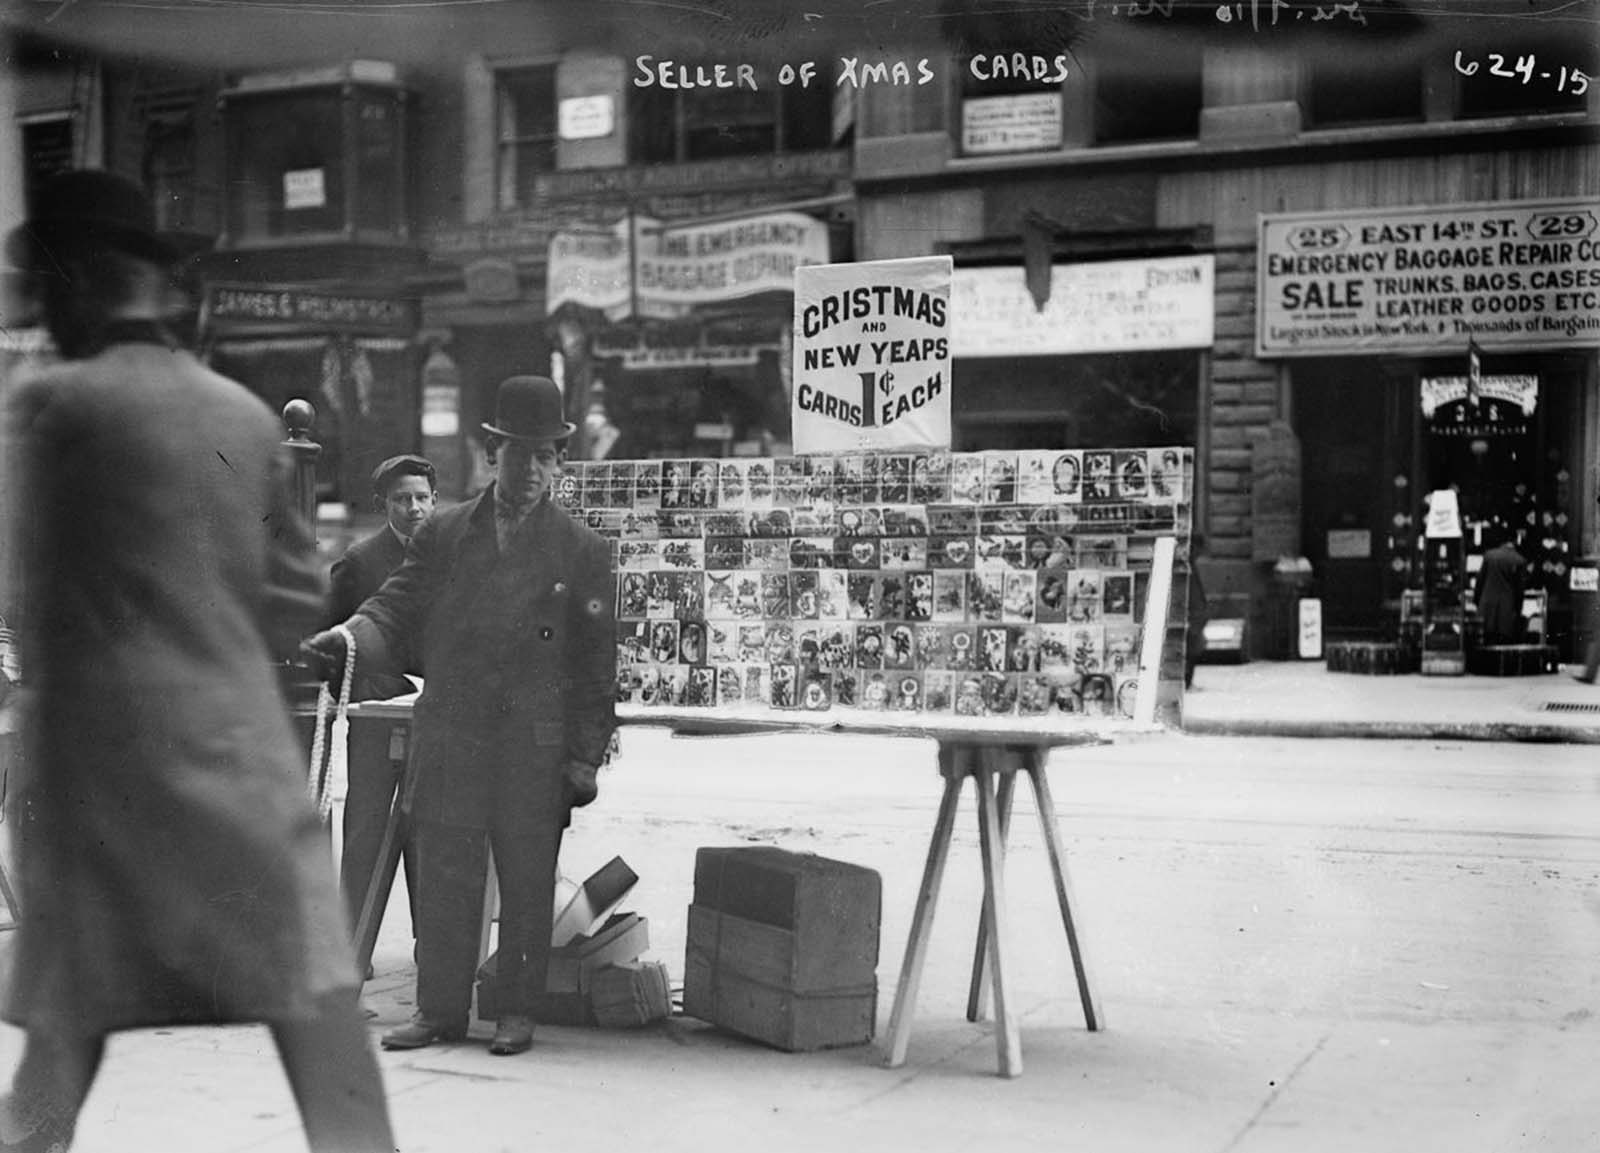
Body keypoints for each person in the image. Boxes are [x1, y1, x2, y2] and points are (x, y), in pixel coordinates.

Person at [0, 170, 394, 1152]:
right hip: (243, 779)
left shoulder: (49, 402)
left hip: (99, 792)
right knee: (332, 1061)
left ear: (80, 284)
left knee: (54, 1067)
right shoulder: (246, 418)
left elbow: (17, 579)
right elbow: (299, 599)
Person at [303, 375, 616, 1058]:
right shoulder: (445, 533)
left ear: (558, 461)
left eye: (544, 455)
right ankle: (439, 1011)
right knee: (446, 874)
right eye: (517, 453)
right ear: (491, 453)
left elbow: (597, 670)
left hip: (532, 749)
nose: (530, 469)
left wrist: (583, 758)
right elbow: (394, 604)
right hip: (452, 734)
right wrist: (350, 638)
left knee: (527, 884)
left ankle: (514, 1013)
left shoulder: (582, 550)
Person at [326, 453, 437, 959]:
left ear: (434, 501)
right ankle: (352, 950)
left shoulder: (450, 556)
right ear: (383, 504)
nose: (413, 508)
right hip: (375, 716)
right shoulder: (360, 562)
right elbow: (333, 641)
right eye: (401, 499)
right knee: (367, 826)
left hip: (432, 715)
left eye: (421, 498)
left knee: (429, 830)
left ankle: (428, 944)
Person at [1477, 527, 1527, 647]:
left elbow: (1480, 583)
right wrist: (1518, 611)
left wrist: (1477, 603)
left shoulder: (1489, 556)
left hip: (1486, 610)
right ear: (1515, 540)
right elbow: (1519, 591)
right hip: (1507, 613)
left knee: (1486, 647)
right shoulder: (1519, 560)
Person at [1185, 534, 1209, 690]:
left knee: (1194, 648)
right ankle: (1187, 682)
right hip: (1193, 616)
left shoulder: (1191, 565)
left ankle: (1187, 681)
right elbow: (1195, 594)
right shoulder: (1189, 567)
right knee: (1192, 649)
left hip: (1195, 615)